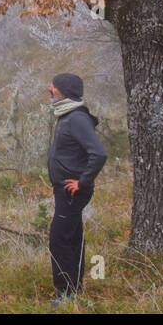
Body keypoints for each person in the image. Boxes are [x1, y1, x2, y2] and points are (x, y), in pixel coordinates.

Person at [46, 72, 107, 306]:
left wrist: (83, 181)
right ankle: (73, 290)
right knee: (72, 236)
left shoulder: (76, 118)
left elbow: (99, 153)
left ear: (63, 91)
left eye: (53, 86)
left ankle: (65, 295)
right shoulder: (67, 115)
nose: (49, 89)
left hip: (71, 191)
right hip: (67, 191)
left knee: (59, 239)